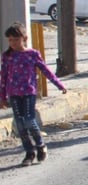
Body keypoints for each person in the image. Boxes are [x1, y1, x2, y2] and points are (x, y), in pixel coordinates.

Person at [0, 22, 67, 166]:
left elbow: (46, 70)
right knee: (20, 124)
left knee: (29, 120)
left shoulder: (32, 54)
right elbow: (3, 77)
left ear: (24, 38)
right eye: (10, 40)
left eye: (16, 39)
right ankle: (29, 152)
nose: (13, 43)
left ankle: (40, 145)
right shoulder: (7, 56)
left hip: (29, 92)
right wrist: (2, 97)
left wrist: (59, 85)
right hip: (14, 94)